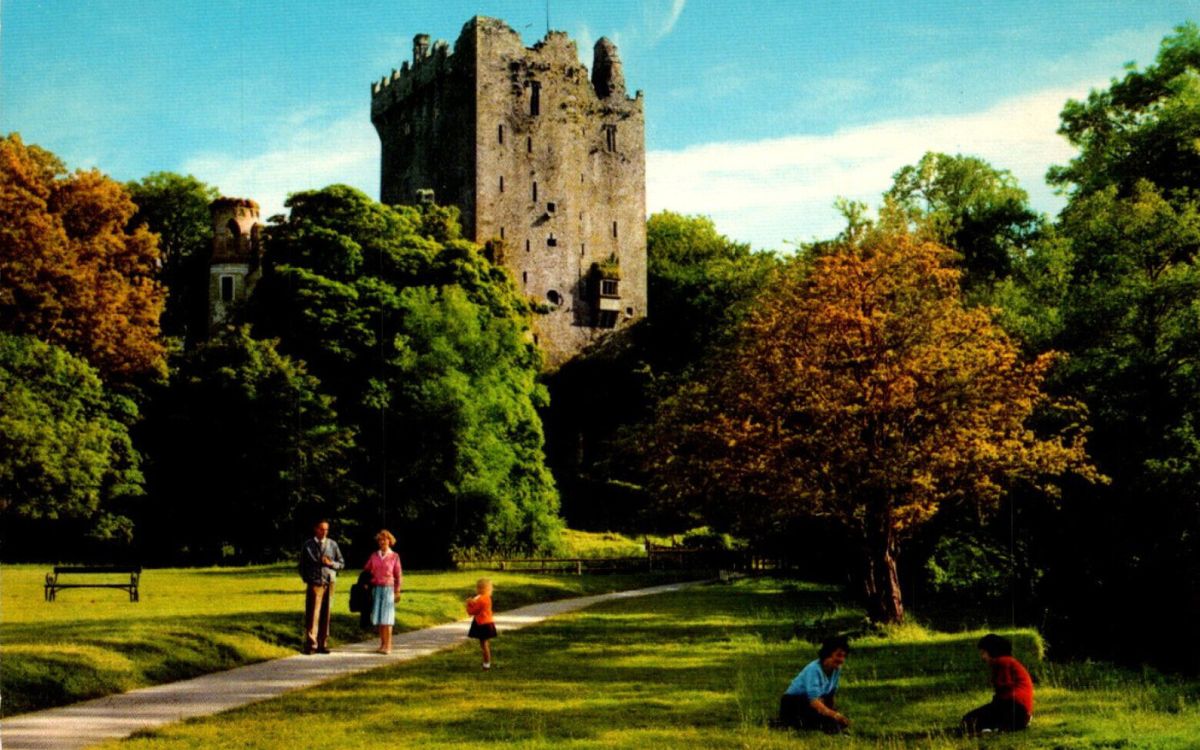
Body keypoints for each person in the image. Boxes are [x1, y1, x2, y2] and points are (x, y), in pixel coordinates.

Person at [961, 633, 1034, 734]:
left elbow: (1004, 690)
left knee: (969, 720)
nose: (982, 657)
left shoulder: (1002, 662)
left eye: (983, 653)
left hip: (1015, 707)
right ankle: (1003, 726)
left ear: (992, 651)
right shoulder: (1008, 662)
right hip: (1019, 709)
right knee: (972, 719)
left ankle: (993, 727)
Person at [778, 636, 851, 732]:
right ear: (828, 654)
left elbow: (830, 695)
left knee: (833, 723)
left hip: (814, 703)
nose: (842, 660)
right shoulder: (814, 669)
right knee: (826, 723)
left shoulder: (836, 670)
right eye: (838, 655)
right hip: (794, 703)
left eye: (844, 656)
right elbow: (813, 701)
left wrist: (832, 712)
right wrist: (835, 715)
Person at [299, 519, 344, 654]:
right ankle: (311, 644)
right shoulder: (308, 545)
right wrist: (308, 579)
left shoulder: (333, 544)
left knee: (326, 614)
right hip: (314, 583)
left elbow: (341, 563)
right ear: (316, 529)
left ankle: (322, 643)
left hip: (329, 582)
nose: (324, 532)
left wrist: (331, 564)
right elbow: (302, 566)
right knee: (313, 613)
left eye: (326, 529)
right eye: (322, 529)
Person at [363, 529, 403, 654]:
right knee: (380, 619)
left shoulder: (394, 556)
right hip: (376, 589)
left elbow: (398, 575)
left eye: (385, 539)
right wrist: (365, 582)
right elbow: (366, 569)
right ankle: (382, 645)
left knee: (387, 619)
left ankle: (388, 646)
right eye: (380, 539)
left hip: (388, 589)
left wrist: (397, 591)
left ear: (390, 541)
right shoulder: (374, 555)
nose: (382, 542)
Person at [466, 578, 497, 670]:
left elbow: (472, 611)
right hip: (485, 622)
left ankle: (486, 664)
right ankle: (486, 663)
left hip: (483, 624)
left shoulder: (482, 599)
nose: (478, 589)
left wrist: (469, 604)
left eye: (479, 588)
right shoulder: (486, 598)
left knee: (484, 645)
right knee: (484, 644)